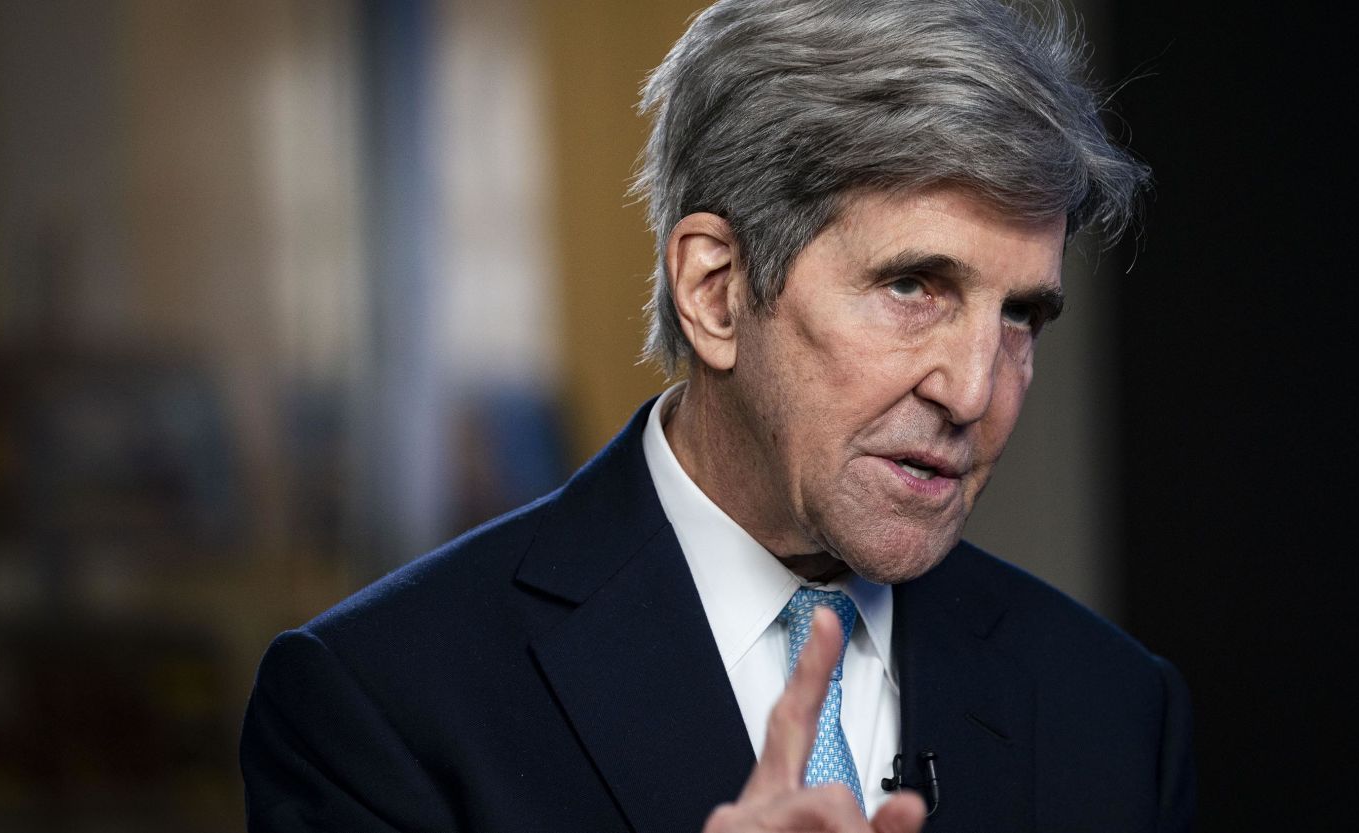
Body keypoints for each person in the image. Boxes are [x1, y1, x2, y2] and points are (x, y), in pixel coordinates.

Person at [240, 0, 1196, 831]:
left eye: (1021, 313)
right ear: (716, 288)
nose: (975, 390)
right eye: (913, 285)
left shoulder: (1112, 711)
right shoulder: (382, 703)